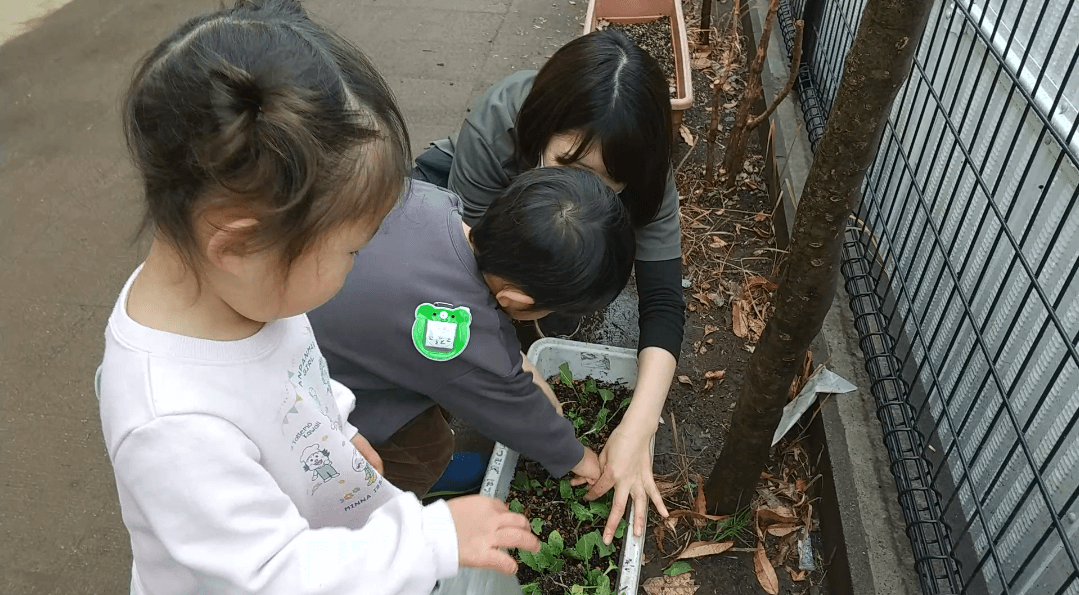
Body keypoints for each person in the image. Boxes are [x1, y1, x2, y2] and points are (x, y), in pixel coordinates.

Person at [95, 2, 538, 594]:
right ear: (241, 242)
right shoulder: (173, 426)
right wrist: (431, 541)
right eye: (352, 250)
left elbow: (294, 374)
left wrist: (341, 426)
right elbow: (274, 577)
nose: (357, 268)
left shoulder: (244, 294)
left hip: (333, 525)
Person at [412, 29, 684, 544]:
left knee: (544, 321)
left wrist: (640, 423)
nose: (585, 193)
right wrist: (520, 382)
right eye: (570, 167)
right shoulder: (501, 122)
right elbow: (468, 268)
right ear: (539, 139)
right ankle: (429, 435)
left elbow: (665, 298)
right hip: (464, 226)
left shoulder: (644, 169)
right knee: (445, 338)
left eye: (608, 182)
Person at [309, 167, 636, 499]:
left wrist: (523, 372)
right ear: (516, 301)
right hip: (316, 395)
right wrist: (580, 459)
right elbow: (513, 412)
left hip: (316, 328)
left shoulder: (432, 200)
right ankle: (383, 501)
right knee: (425, 451)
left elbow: (489, 351)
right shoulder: (456, 338)